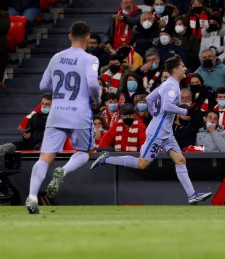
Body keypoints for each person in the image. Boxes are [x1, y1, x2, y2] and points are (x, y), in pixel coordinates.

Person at [91, 55, 213, 205]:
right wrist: (185, 112)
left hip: (166, 132)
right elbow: (167, 106)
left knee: (180, 160)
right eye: (182, 66)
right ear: (175, 70)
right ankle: (106, 158)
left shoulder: (168, 83)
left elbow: (149, 99)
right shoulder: (172, 86)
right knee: (142, 164)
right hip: (158, 132)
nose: (185, 68)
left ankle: (192, 195)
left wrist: (155, 112)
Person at [25, 22, 102, 214]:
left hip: (57, 112)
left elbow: (43, 85)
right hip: (79, 112)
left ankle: (32, 196)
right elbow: (93, 83)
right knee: (85, 151)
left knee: (45, 157)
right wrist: (97, 98)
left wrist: (61, 91)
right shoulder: (90, 59)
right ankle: (64, 170)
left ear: (69, 36)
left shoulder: (56, 57)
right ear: (88, 38)